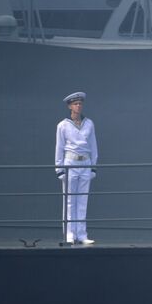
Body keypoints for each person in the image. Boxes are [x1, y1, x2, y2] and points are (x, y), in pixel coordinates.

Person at [55, 91, 97, 245]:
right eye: (75, 104)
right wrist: (59, 168)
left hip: (85, 163)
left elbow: (93, 146)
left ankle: (81, 233)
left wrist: (93, 167)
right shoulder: (63, 125)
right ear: (69, 106)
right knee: (70, 200)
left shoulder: (89, 123)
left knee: (83, 199)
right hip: (70, 163)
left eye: (80, 103)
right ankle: (69, 233)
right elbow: (59, 148)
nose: (78, 106)